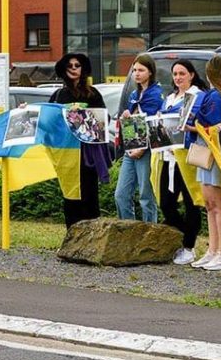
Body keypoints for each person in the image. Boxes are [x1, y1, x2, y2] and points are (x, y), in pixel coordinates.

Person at [185, 56, 221, 271]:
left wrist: (193, 126)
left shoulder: (217, 97)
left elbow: (217, 127)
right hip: (205, 152)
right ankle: (212, 250)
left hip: (213, 153)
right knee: (210, 205)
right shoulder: (215, 95)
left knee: (216, 205)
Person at [48, 52, 112, 228]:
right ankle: (72, 237)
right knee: (70, 195)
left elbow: (105, 120)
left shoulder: (93, 94)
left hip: (87, 153)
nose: (74, 69)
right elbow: (49, 120)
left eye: (77, 65)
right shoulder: (59, 95)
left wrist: (83, 118)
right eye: (70, 66)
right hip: (67, 153)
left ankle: (92, 238)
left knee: (89, 193)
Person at [158, 59, 206, 265]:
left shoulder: (197, 96)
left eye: (182, 73)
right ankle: (182, 235)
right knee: (166, 203)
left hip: (188, 156)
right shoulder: (168, 98)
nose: (178, 77)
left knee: (190, 202)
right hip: (168, 156)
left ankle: (189, 246)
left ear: (192, 75)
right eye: (175, 74)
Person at [115, 54, 163, 222]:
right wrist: (127, 117)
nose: (136, 73)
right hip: (132, 148)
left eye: (141, 70)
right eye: (134, 70)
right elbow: (132, 123)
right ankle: (128, 231)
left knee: (146, 195)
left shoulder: (156, 94)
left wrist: (142, 148)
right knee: (121, 194)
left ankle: (150, 233)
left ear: (150, 72)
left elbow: (154, 123)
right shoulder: (134, 94)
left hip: (147, 150)